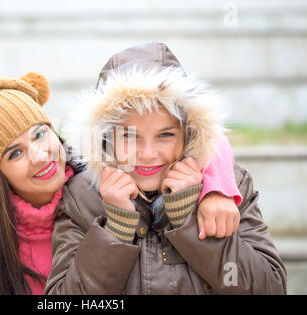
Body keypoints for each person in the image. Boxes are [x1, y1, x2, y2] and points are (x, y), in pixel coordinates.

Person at [45, 42, 287, 294]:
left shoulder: (227, 187)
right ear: (106, 137)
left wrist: (189, 220)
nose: (148, 155)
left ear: (188, 134)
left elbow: (269, 288)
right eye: (128, 136)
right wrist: (115, 231)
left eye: (165, 135)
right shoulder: (82, 197)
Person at [0, 73, 83, 294]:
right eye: (15, 154)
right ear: (0, 175)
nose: (39, 156)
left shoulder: (106, 195)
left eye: (39, 134)